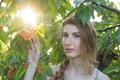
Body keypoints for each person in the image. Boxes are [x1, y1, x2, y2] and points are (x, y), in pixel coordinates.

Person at [24, 16, 111, 80]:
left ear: (88, 40)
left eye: (76, 36)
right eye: (65, 35)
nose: (67, 42)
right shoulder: (52, 72)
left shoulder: (101, 78)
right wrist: (32, 64)